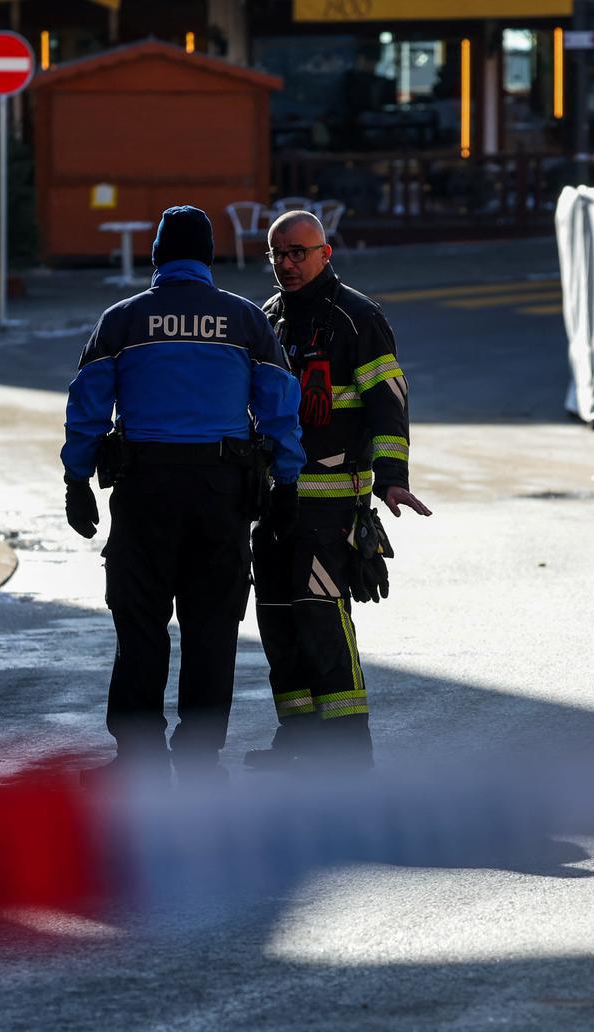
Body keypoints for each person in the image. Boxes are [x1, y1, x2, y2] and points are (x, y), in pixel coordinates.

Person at [61, 205, 305, 786]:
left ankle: (140, 759)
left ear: (157, 258)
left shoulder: (122, 321)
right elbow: (279, 406)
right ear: (209, 259)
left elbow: (87, 406)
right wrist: (287, 483)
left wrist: (76, 480)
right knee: (212, 625)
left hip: (145, 491)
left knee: (140, 621)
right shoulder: (245, 321)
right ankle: (199, 759)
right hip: (221, 493)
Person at [243, 210, 431, 772]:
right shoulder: (269, 320)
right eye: (277, 254)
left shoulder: (358, 318)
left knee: (321, 616)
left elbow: (389, 400)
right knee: (277, 620)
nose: (287, 264)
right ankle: (298, 740)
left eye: (298, 252)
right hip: (274, 504)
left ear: (326, 254)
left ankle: (348, 753)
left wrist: (392, 478)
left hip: (330, 503)